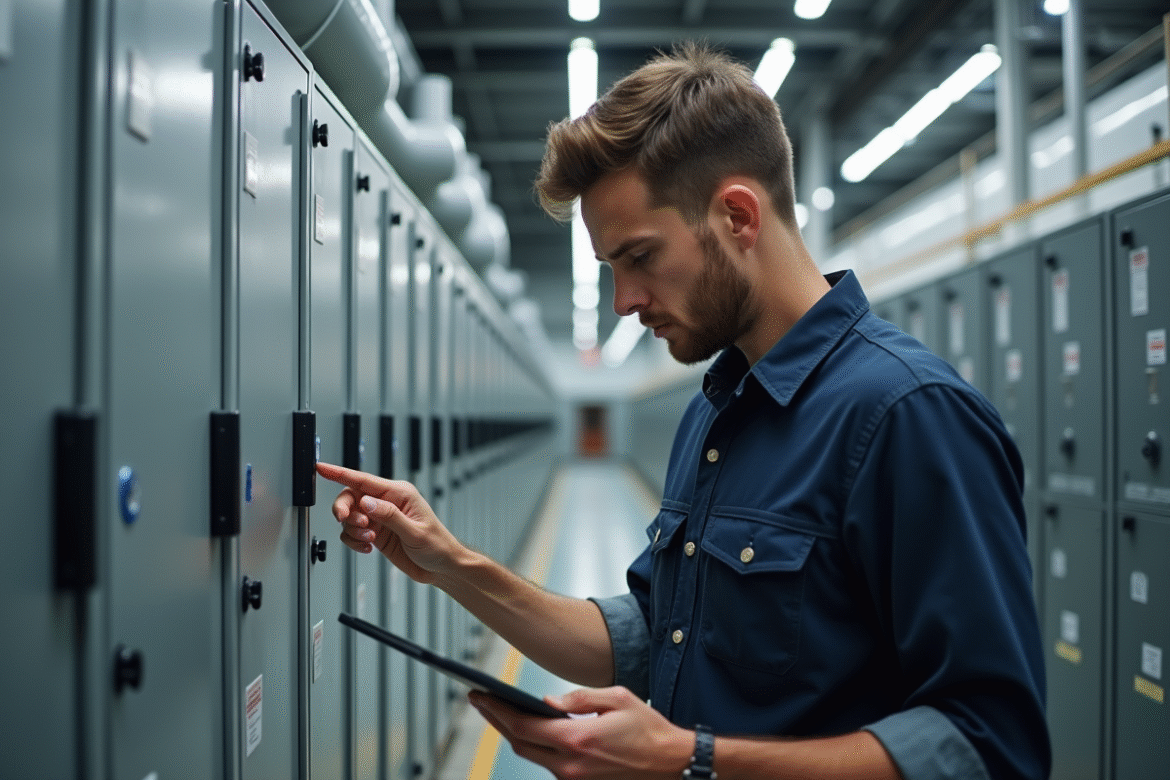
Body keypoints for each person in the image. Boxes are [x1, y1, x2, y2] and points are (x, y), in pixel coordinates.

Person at [317, 42, 1049, 780]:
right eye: (611, 269)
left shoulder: (908, 418)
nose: (623, 302)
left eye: (639, 257)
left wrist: (692, 762)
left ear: (736, 215)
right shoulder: (716, 409)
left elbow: (990, 745)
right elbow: (652, 634)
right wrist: (453, 565)